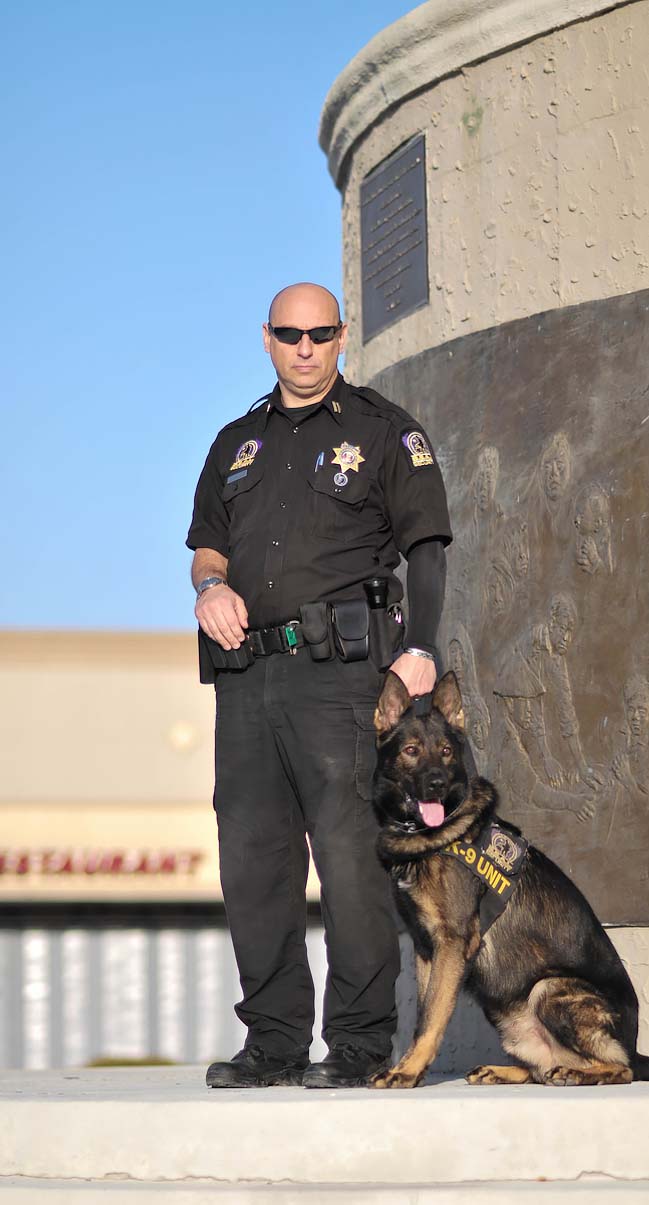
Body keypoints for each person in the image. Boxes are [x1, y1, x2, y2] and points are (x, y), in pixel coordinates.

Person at [186, 283, 452, 1089]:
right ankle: (272, 1043)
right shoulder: (235, 443)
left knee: (350, 861)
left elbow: (427, 546)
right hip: (246, 677)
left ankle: (361, 1042)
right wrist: (210, 588)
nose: (305, 347)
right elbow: (207, 547)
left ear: (340, 337)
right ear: (267, 338)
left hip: (341, 678)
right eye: (290, 333)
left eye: (320, 333)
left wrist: (421, 646)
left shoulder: (384, 431)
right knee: (253, 863)